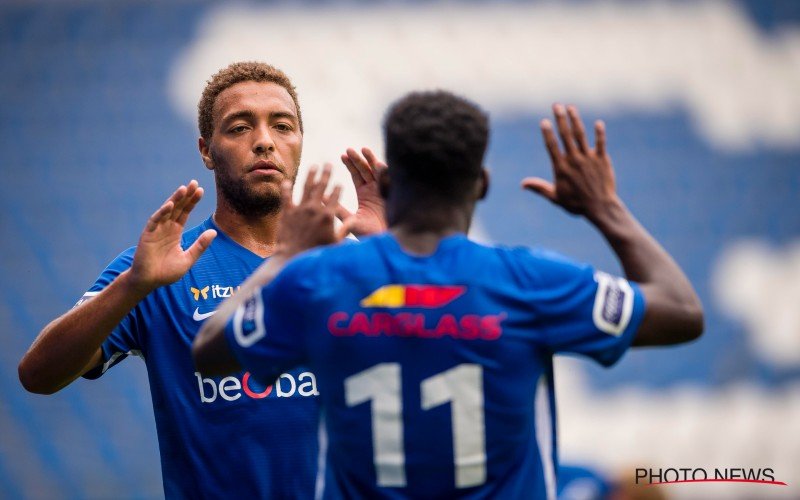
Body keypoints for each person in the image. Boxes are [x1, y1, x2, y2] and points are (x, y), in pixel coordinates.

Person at [192, 92, 704, 498]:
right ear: (480, 184)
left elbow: (211, 351)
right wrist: (604, 207)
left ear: (395, 181)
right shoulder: (529, 282)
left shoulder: (323, 280)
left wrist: (284, 255)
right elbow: (681, 312)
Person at [18, 61, 386, 498]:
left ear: (300, 142)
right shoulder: (162, 266)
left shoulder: (355, 265)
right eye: (240, 127)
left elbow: (449, 366)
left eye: (282, 126)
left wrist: (400, 254)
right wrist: (134, 285)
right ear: (206, 150)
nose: (265, 141)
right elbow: (38, 375)